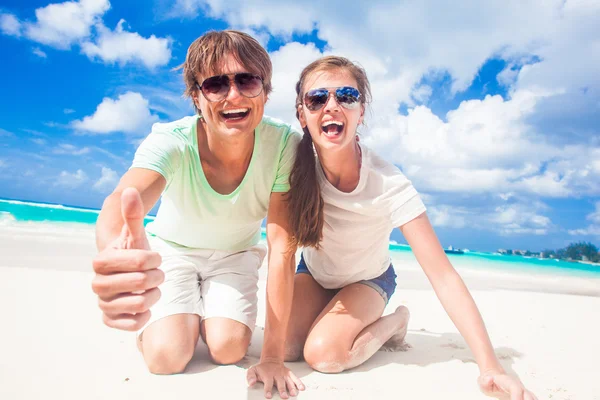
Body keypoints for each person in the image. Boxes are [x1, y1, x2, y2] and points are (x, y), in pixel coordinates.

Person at [283, 56, 538, 400]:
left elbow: (443, 276)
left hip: (367, 280)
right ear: (302, 113)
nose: (332, 106)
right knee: (284, 349)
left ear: (361, 111)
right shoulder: (294, 166)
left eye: (346, 96)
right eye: (317, 99)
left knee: (324, 356)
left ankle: (396, 322)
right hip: (314, 275)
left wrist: (490, 367)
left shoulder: (389, 183)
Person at [91, 30, 304, 400]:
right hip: (173, 252)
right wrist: (115, 256)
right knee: (166, 357)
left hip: (236, 256)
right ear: (196, 96)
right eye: (216, 84)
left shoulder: (284, 143)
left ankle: (205, 313)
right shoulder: (171, 140)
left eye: (247, 80)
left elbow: (281, 245)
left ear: (265, 92)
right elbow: (122, 202)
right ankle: (183, 314)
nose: (233, 95)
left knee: (228, 349)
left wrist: (271, 356)